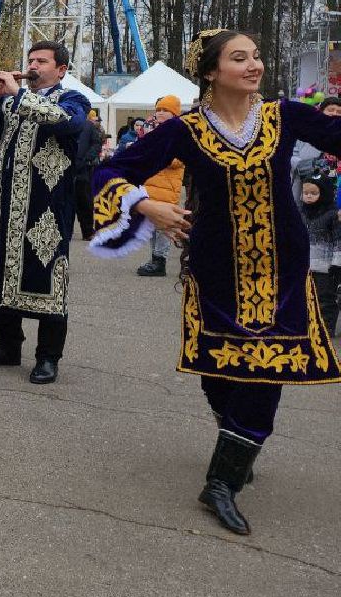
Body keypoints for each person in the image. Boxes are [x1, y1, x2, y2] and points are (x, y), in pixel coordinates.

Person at [91, 29, 341, 535]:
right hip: (215, 269)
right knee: (220, 370)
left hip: (282, 269)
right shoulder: (185, 130)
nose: (255, 66)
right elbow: (111, 171)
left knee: (266, 369)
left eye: (257, 55)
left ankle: (221, 480)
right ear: (211, 71)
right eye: (240, 57)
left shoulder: (284, 116)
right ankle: (239, 443)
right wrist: (146, 204)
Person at [0, 41, 89, 384]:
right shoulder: (8, 100)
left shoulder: (72, 99)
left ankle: (48, 357)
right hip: (5, 207)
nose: (32, 65)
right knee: (3, 273)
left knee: (47, 274)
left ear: (61, 70)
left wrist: (18, 93)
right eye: (30, 60)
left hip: (47, 210)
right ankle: (6, 346)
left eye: (41, 61)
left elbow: (66, 123)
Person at [135, 96, 185, 277]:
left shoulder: (179, 131)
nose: (160, 113)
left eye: (165, 110)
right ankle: (154, 258)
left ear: (174, 113)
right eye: (158, 110)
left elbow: (178, 160)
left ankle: (160, 260)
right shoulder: (155, 131)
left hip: (167, 186)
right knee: (151, 223)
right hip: (152, 184)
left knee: (163, 225)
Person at [299, 176, 341, 335]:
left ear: (323, 194)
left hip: (325, 267)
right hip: (305, 265)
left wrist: (337, 263)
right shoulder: (301, 214)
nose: (308, 196)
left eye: (313, 193)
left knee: (326, 298)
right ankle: (310, 325)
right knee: (305, 296)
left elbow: (338, 240)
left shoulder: (332, 215)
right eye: (305, 193)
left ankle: (327, 328)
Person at [73, 110, 104, 240]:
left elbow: (96, 143)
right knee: (65, 202)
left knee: (85, 201)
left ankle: (87, 232)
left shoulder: (88, 126)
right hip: (65, 168)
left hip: (83, 169)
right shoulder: (65, 124)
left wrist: (87, 158)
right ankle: (65, 232)